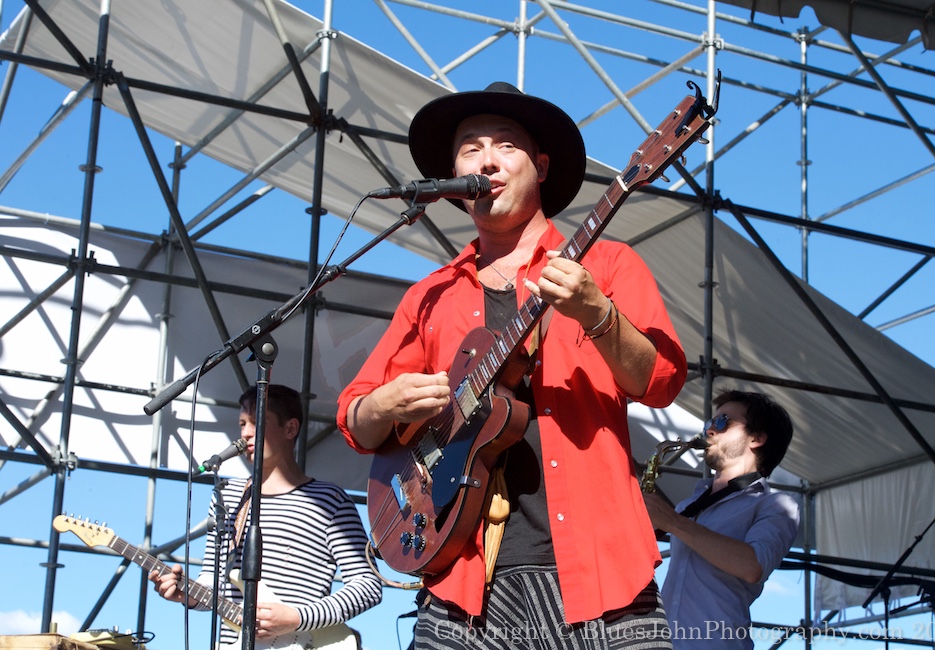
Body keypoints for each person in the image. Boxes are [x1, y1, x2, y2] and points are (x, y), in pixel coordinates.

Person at [337, 81, 686, 648]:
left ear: (542, 166)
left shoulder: (609, 264)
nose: (487, 159)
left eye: (505, 145)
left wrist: (598, 314)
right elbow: (356, 420)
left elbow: (660, 381)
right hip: (459, 581)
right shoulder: (430, 295)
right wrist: (378, 405)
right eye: (470, 149)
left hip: (601, 581)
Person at [150, 384, 382, 648]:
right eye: (241, 424)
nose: (245, 433)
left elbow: (368, 585)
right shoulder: (228, 496)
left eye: (257, 422)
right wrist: (186, 594)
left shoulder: (330, 500)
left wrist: (297, 617)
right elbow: (212, 580)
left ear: (290, 429)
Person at [644, 389, 800, 649]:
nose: (710, 431)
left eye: (722, 422)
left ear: (757, 438)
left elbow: (753, 567)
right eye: (709, 423)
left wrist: (674, 523)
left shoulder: (777, 505)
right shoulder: (687, 506)